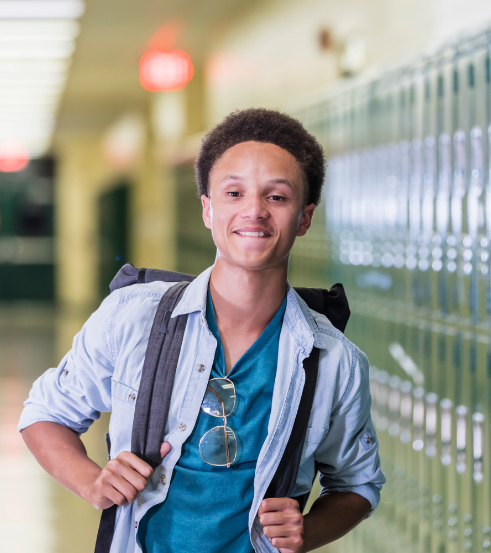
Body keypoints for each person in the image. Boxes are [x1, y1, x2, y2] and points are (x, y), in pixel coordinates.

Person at [19, 108, 385, 553]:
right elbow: (45, 414)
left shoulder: (333, 360)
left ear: (304, 218)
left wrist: (308, 530)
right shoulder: (134, 318)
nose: (254, 211)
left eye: (277, 197)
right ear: (208, 209)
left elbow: (358, 484)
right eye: (234, 193)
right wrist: (92, 483)